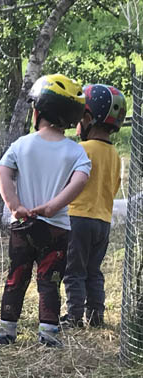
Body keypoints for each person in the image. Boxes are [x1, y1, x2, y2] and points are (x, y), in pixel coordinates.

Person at [0, 74, 91, 347]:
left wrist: (14, 205)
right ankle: (48, 332)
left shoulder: (21, 144)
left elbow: (2, 171)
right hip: (56, 227)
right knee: (50, 280)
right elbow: (81, 179)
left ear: (37, 112)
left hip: (22, 225)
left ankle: (6, 329)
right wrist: (53, 206)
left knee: (17, 276)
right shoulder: (75, 151)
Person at [60, 84, 127, 329]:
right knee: (93, 270)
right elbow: (114, 186)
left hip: (78, 218)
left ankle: (74, 316)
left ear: (88, 118)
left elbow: (67, 182)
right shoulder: (115, 155)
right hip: (103, 221)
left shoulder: (81, 149)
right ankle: (96, 316)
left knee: (74, 270)